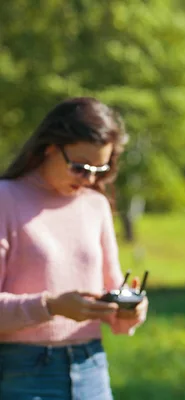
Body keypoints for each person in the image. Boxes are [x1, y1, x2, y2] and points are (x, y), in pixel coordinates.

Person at [0, 97, 148, 399]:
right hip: (21, 372)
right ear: (51, 148)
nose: (90, 179)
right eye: (80, 167)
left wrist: (128, 310)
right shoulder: (6, 199)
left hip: (91, 366)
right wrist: (51, 306)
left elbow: (111, 289)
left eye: (100, 169)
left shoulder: (96, 205)